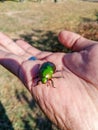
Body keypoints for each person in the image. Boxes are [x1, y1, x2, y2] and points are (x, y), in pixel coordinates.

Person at [0, 30, 98, 130]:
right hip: (47, 67)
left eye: (45, 81)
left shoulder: (46, 77)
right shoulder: (42, 76)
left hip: (49, 67)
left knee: (48, 77)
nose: (44, 82)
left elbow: (45, 77)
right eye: (44, 81)